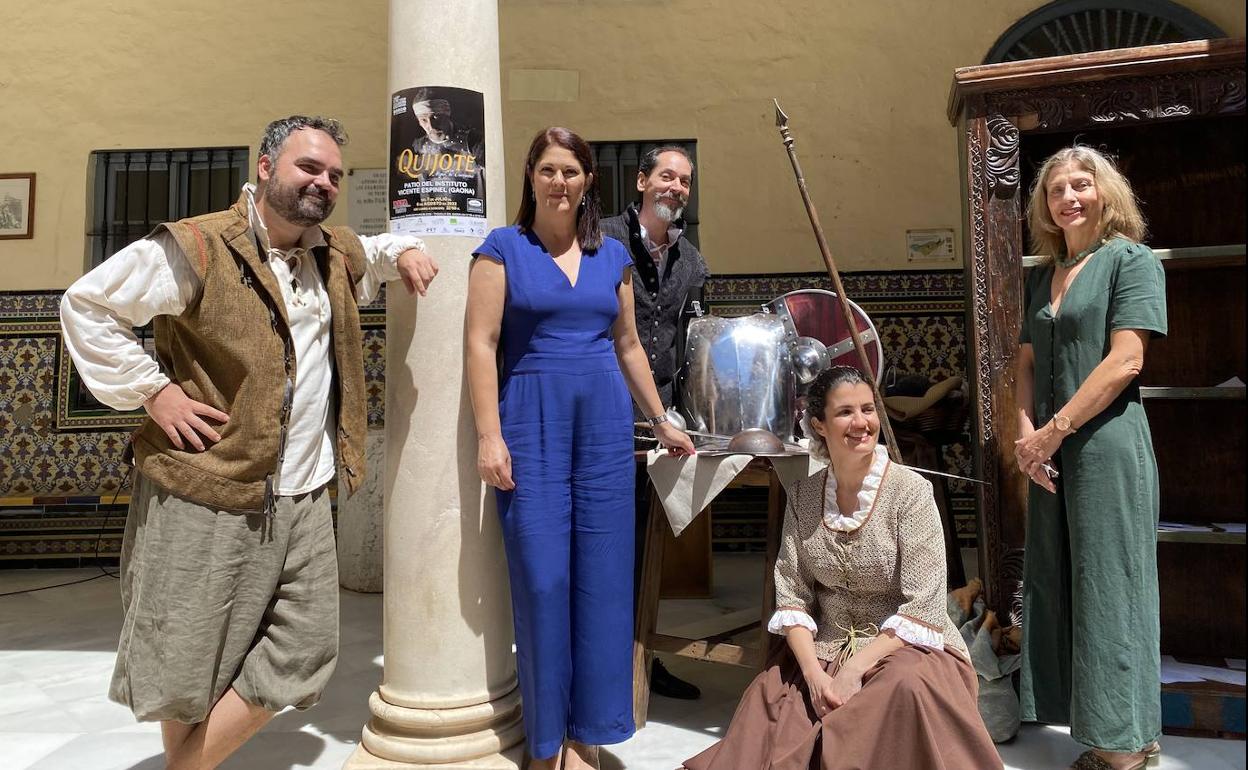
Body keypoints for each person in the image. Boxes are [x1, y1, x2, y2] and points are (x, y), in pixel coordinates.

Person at [59, 115, 439, 770]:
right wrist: (155, 391)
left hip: (307, 493)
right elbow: (87, 305)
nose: (322, 182)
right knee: (189, 661)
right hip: (209, 489)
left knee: (307, 645)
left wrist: (401, 250)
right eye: (308, 167)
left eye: (333, 175)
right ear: (265, 169)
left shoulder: (334, 252)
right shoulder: (199, 245)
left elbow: (372, 248)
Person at [465, 127, 695, 769]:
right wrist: (489, 435)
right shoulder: (501, 250)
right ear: (531, 178)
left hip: (603, 430)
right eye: (548, 170)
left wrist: (661, 420)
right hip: (531, 424)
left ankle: (585, 732)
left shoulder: (612, 256)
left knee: (600, 579)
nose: (559, 181)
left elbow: (628, 347)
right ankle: (545, 740)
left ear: (588, 181)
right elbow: (481, 345)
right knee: (542, 581)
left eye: (571, 171)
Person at [684, 366, 1003, 770]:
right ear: (819, 425)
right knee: (772, 695)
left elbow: (923, 607)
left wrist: (853, 668)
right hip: (826, 646)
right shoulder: (803, 497)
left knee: (899, 689)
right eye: (845, 412)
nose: (861, 423)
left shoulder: (911, 493)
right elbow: (792, 595)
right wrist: (815, 675)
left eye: (868, 409)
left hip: (906, 649)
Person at [1014, 146, 1166, 770]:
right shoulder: (1041, 273)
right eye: (1056, 190)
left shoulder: (1132, 261)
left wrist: (1052, 431)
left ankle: (1126, 747)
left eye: (1082, 185)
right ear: (1045, 206)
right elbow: (1023, 362)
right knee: (1061, 583)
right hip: (1049, 453)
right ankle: (1106, 729)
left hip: (1105, 448)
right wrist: (1026, 438)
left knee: (1111, 588)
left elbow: (1127, 359)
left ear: (1106, 194)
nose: (1069, 198)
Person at [600, 145, 709, 701]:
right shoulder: (599, 239)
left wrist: (686, 416)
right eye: (666, 176)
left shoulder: (692, 261)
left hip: (660, 420)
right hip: (598, 414)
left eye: (685, 180)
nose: (676, 187)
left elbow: (691, 342)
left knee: (646, 546)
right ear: (641, 181)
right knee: (601, 543)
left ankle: (639, 657)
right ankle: (599, 663)